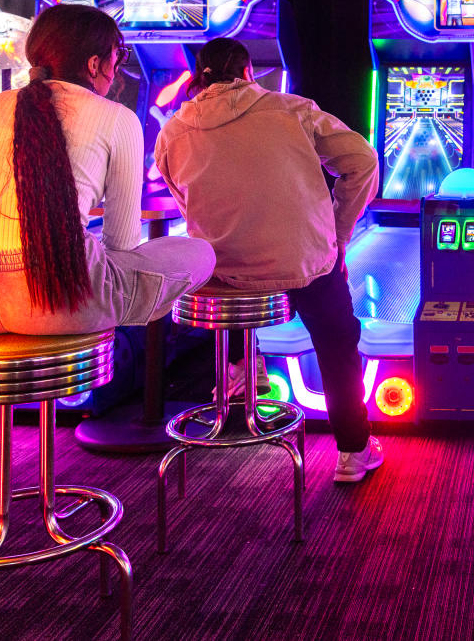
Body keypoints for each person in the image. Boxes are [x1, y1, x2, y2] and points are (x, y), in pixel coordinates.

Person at [0, 4, 215, 340]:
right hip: (57, 305)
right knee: (201, 251)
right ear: (94, 63)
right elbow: (122, 244)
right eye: (118, 57)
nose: (117, 69)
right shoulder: (117, 118)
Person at [154, 37, 383, 483]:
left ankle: (239, 380)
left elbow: (185, 200)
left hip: (223, 275)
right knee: (337, 337)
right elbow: (363, 161)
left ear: (198, 77)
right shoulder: (291, 108)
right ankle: (353, 450)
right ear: (247, 74)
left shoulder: (172, 129)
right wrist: (336, 235)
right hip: (302, 262)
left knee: (227, 282)